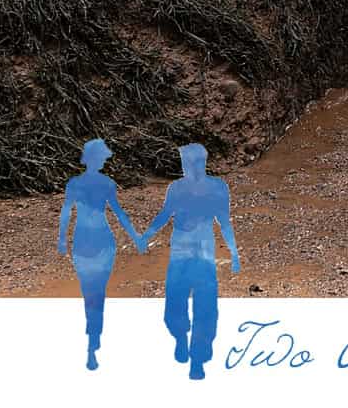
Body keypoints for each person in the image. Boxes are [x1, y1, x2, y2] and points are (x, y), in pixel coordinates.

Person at [141, 142, 241, 381]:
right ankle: (181, 340)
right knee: (188, 306)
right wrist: (145, 235)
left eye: (187, 162)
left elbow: (224, 222)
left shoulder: (216, 188)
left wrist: (235, 253)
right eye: (184, 162)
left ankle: (196, 359)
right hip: (188, 254)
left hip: (195, 255)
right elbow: (166, 214)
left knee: (198, 307)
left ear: (199, 162)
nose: (185, 167)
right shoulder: (181, 188)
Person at [58, 138, 146, 370]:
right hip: (99, 240)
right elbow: (117, 213)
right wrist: (135, 237)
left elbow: (68, 213)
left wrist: (61, 240)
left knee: (91, 290)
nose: (103, 161)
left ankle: (93, 335)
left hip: (87, 240)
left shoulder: (76, 183)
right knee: (97, 290)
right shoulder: (104, 183)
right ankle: (94, 335)